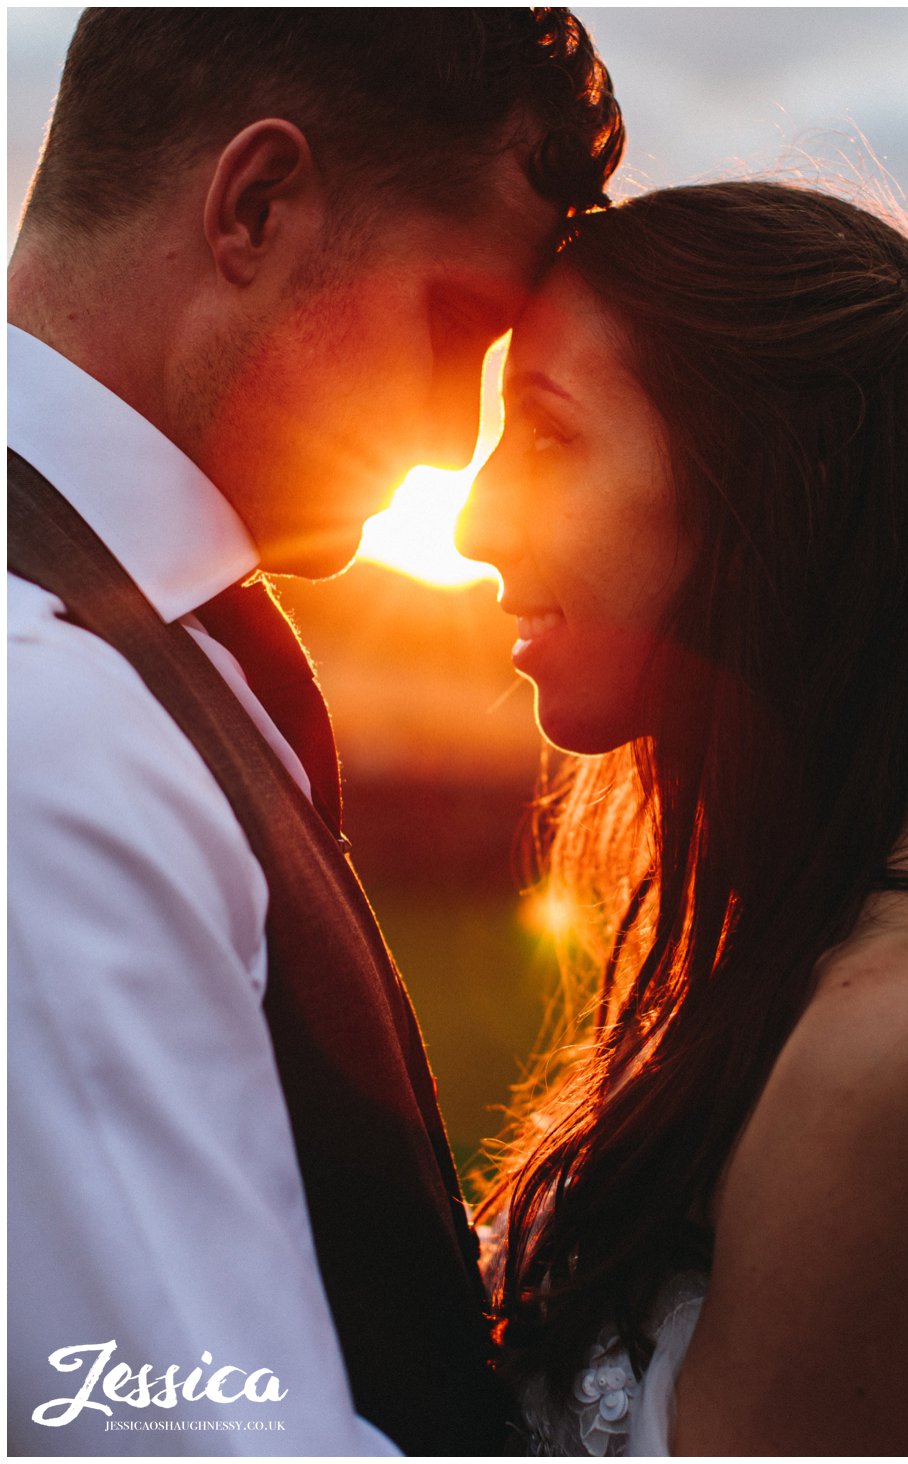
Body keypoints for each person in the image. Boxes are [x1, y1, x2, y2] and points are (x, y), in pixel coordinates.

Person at [8, 11, 621, 1453]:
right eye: (457, 327)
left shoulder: (147, 648)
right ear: (255, 206)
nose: (451, 444)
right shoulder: (47, 733)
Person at [460, 180, 908, 1456]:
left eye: (544, 438)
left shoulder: (893, 1050)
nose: (473, 522)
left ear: (750, 481)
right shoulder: (779, 930)